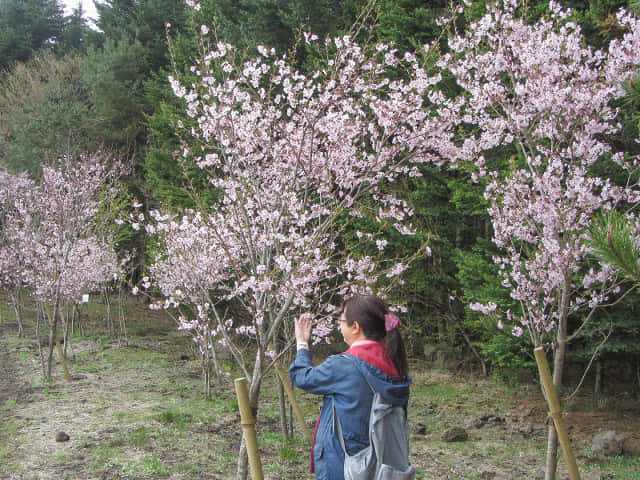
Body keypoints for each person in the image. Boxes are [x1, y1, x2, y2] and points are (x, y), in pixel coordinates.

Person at [289, 295, 412, 480]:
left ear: (355, 327)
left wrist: (302, 343)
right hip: (381, 464)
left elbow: (302, 377)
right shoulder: (395, 366)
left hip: (345, 464)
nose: (339, 326)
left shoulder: (344, 366)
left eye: (342, 321)